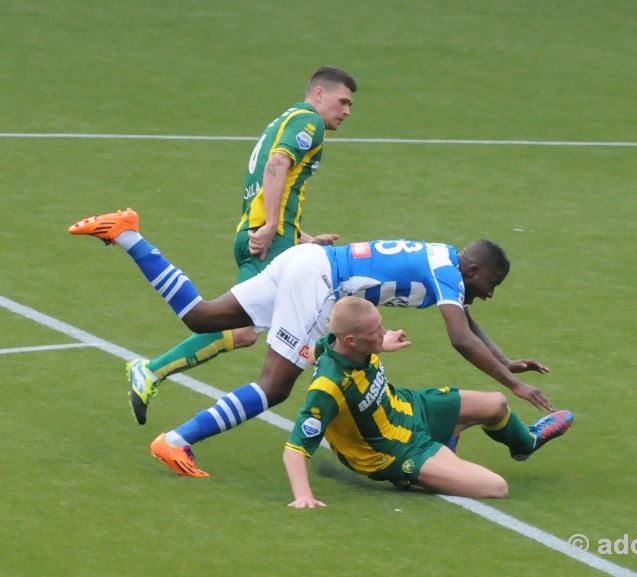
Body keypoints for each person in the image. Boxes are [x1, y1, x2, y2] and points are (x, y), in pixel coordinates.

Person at [68, 209, 556, 478]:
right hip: (318, 283)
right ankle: (175, 442)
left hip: (307, 264)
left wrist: (505, 358)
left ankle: (128, 235)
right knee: (275, 386)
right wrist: (512, 384)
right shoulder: (448, 273)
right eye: (491, 283)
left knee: (202, 317)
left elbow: (467, 324)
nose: (489, 293)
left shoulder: (443, 262)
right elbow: (459, 338)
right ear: (473, 270)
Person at [125, 66, 357, 426]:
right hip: (268, 239)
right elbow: (278, 165)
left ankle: (152, 372)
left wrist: (301, 236)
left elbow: (274, 179)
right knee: (322, 309)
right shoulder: (308, 122)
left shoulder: (284, 121)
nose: (346, 111)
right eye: (343, 102)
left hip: (265, 236)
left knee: (245, 329)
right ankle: (151, 372)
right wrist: (272, 227)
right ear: (320, 94)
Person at [284, 297, 573, 507]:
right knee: (496, 487)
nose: (383, 332)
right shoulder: (328, 388)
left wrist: (383, 343)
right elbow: (295, 448)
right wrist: (303, 497)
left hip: (410, 407)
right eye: (376, 332)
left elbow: (318, 352)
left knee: (496, 403)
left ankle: (525, 444)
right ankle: (422, 469)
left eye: (381, 325)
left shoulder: (335, 344)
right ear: (350, 341)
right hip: (395, 451)